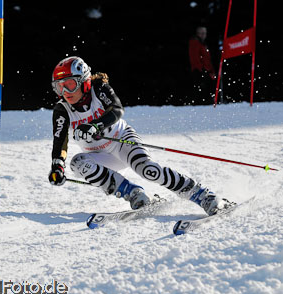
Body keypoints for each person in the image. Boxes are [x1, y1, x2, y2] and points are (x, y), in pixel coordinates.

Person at [48, 56, 234, 215]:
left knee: (148, 170)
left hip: (122, 141)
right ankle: (134, 194)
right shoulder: (62, 110)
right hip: (101, 156)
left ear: (84, 81)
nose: (65, 92)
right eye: (59, 87)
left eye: (70, 85)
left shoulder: (99, 89)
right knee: (77, 163)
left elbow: (117, 110)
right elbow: (60, 141)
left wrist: (95, 126)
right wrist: (58, 167)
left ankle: (203, 195)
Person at [188, 26, 217, 104]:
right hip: (199, 71)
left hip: (206, 70)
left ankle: (208, 102)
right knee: (202, 90)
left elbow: (207, 59)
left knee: (207, 89)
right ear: (198, 34)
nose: (203, 35)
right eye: (202, 33)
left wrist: (211, 70)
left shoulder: (203, 44)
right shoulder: (195, 42)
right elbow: (195, 58)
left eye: (205, 33)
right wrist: (201, 70)